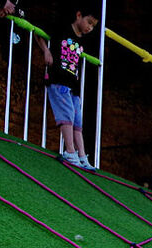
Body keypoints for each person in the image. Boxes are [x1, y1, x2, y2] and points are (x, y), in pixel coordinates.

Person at [36, 7, 100, 171]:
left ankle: (81, 154)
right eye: (89, 22)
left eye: (93, 26)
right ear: (79, 15)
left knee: (77, 120)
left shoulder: (83, 40)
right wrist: (46, 51)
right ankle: (70, 152)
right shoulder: (62, 29)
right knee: (67, 115)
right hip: (58, 79)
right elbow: (38, 32)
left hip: (73, 84)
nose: (89, 28)